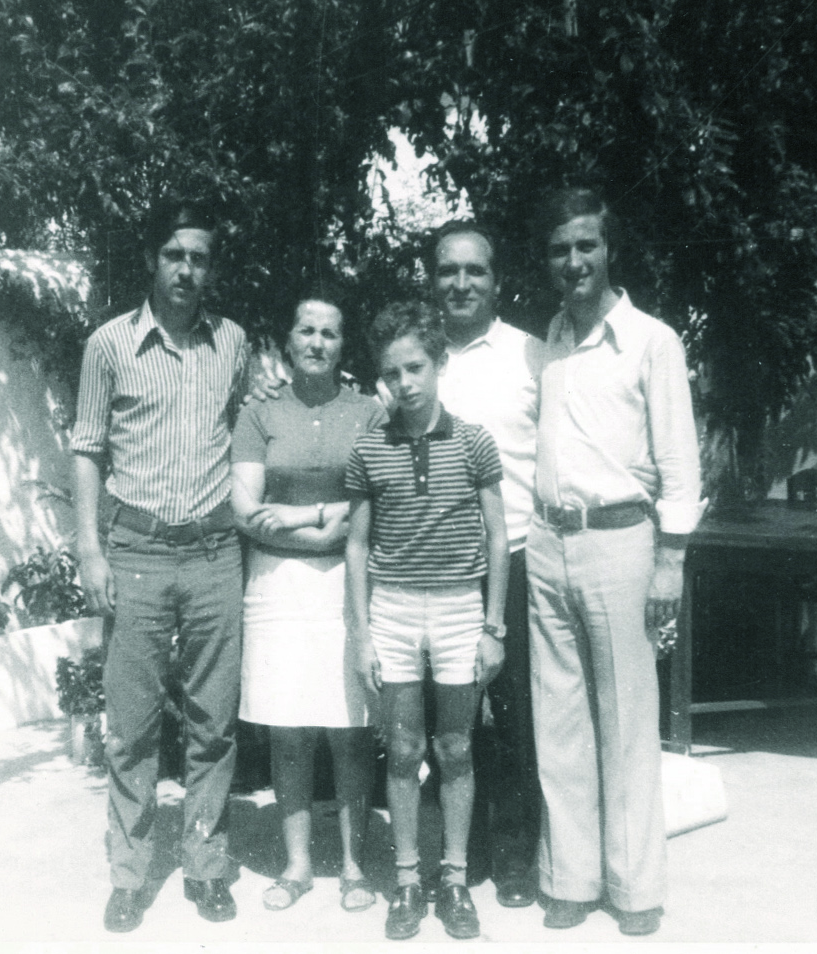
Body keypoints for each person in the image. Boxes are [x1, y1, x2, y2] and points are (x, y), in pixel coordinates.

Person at [526, 187, 704, 936]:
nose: (574, 261)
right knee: (559, 717)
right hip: (547, 541)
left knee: (627, 719)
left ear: (609, 250)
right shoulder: (547, 343)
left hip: (622, 542)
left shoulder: (651, 341)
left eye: (586, 245)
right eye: (560, 249)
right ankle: (571, 878)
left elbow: (681, 462)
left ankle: (635, 888)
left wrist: (671, 561)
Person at [71, 198, 249, 932]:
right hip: (137, 552)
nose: (186, 269)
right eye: (174, 254)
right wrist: (90, 549)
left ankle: (206, 866)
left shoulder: (233, 343)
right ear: (153, 259)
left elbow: (248, 430)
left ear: (210, 269)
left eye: (199, 258)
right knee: (132, 726)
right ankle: (129, 874)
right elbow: (87, 448)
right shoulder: (109, 345)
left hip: (214, 551)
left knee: (213, 723)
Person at [344, 300, 509, 941]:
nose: (405, 383)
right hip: (393, 608)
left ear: (439, 364)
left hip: (460, 606)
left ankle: (455, 878)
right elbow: (357, 545)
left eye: (415, 367)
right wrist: (363, 637)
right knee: (405, 747)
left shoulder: (473, 441)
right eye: (392, 373)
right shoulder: (369, 448)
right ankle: (408, 880)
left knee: (456, 747)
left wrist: (493, 627)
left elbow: (498, 536)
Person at [230, 294, 387, 914]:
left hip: (348, 581)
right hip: (276, 585)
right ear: (289, 340)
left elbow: (379, 497)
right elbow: (246, 510)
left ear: (343, 345)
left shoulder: (369, 412)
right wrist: (324, 526)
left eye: (330, 333)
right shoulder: (259, 412)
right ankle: (296, 865)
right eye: (306, 331)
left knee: (350, 729)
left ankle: (353, 865)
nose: (317, 343)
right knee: (289, 729)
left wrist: (304, 517)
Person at [426, 220, 542, 907]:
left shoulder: (531, 355)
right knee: (450, 724)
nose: (462, 282)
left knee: (520, 718)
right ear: (433, 280)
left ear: (496, 281)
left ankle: (518, 856)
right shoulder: (418, 361)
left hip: (519, 560)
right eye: (449, 270)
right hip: (439, 570)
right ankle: (459, 854)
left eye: (475, 270)